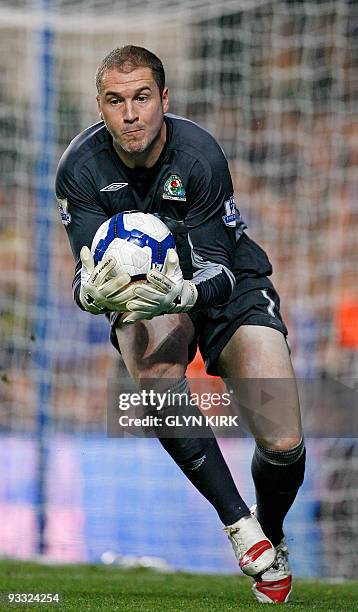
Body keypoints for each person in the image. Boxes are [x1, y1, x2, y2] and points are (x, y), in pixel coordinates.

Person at [55, 45, 305, 604]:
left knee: (285, 441)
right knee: (153, 365)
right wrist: (88, 292)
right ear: (100, 105)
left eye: (142, 98)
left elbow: (217, 267)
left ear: (163, 99)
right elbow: (88, 273)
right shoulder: (80, 169)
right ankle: (241, 527)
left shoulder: (200, 156)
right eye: (115, 101)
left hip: (227, 285)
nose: (130, 114)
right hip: (153, 297)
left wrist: (187, 291)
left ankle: (274, 529)